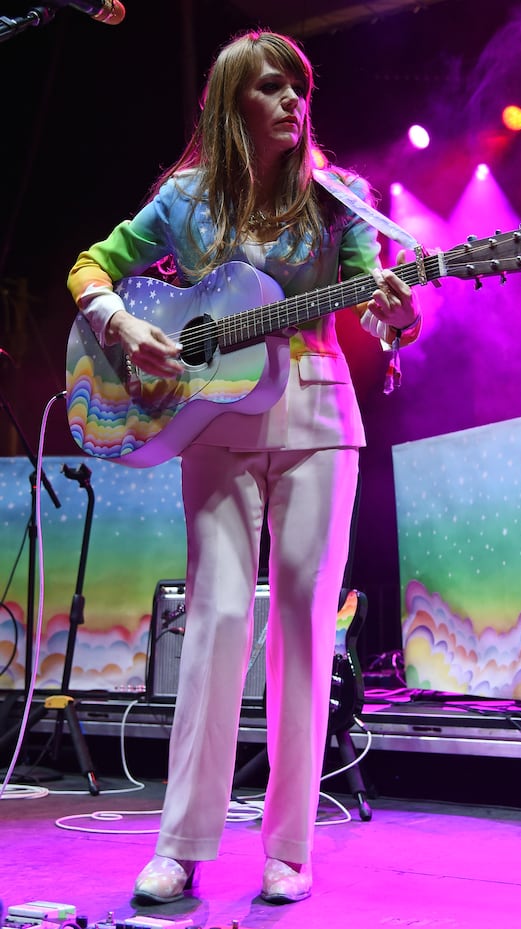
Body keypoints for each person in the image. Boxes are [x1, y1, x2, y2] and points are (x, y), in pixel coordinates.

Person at [66, 28, 421, 905]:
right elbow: (89, 266)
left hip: (316, 409)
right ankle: (181, 845)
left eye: (300, 88)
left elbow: (378, 306)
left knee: (301, 624)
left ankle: (290, 851)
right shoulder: (183, 201)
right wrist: (120, 323)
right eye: (271, 88)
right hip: (215, 422)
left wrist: (395, 319)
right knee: (218, 615)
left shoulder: (339, 199)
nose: (294, 102)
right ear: (232, 102)